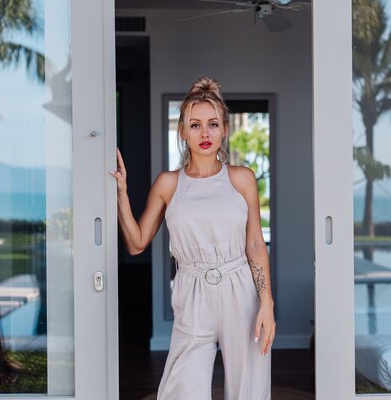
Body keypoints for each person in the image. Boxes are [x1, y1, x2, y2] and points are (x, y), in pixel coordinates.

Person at [110, 77, 275, 399]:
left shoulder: (242, 179)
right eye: (195, 125)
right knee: (182, 388)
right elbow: (136, 243)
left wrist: (267, 303)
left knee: (249, 389)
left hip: (241, 288)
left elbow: (255, 245)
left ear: (225, 129)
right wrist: (121, 196)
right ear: (183, 132)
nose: (205, 134)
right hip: (191, 290)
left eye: (213, 124)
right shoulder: (168, 184)